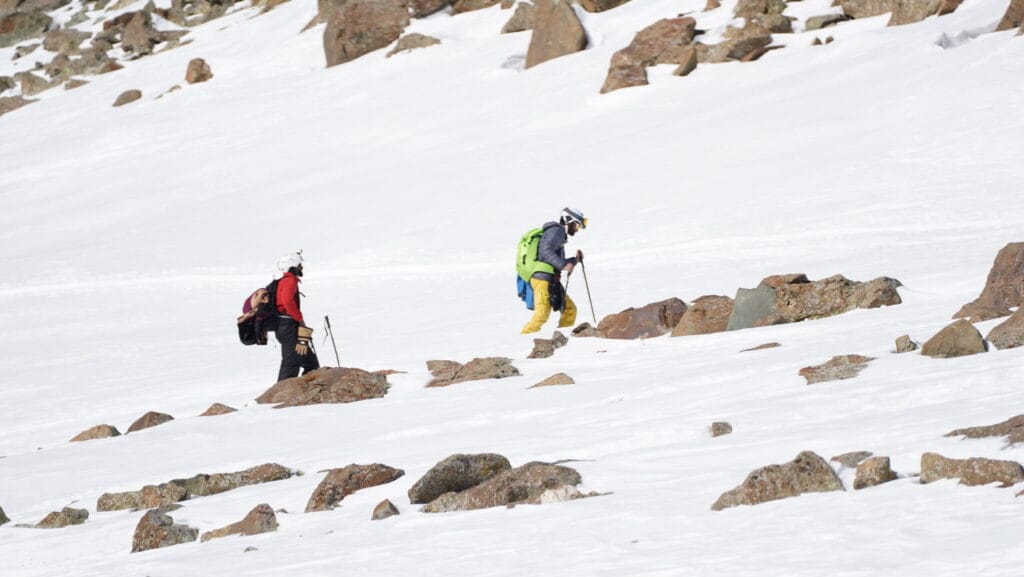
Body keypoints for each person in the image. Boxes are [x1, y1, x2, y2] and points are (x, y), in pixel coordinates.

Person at [521, 207, 586, 334]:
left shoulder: (558, 234)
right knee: (542, 313)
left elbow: (555, 259)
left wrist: (575, 260)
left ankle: (564, 337)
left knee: (569, 309)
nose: (577, 230)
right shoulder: (556, 231)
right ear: (569, 221)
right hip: (542, 278)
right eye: (577, 225)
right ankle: (524, 338)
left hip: (549, 278)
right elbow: (545, 251)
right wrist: (563, 265)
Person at [274, 252, 320, 381]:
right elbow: (287, 301)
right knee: (291, 362)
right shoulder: (290, 281)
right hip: (288, 326)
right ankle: (282, 391)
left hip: (285, 325)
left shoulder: (285, 280)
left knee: (310, 362)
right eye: (300, 265)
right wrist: (299, 318)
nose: (302, 267)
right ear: (293, 266)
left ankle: (309, 388)